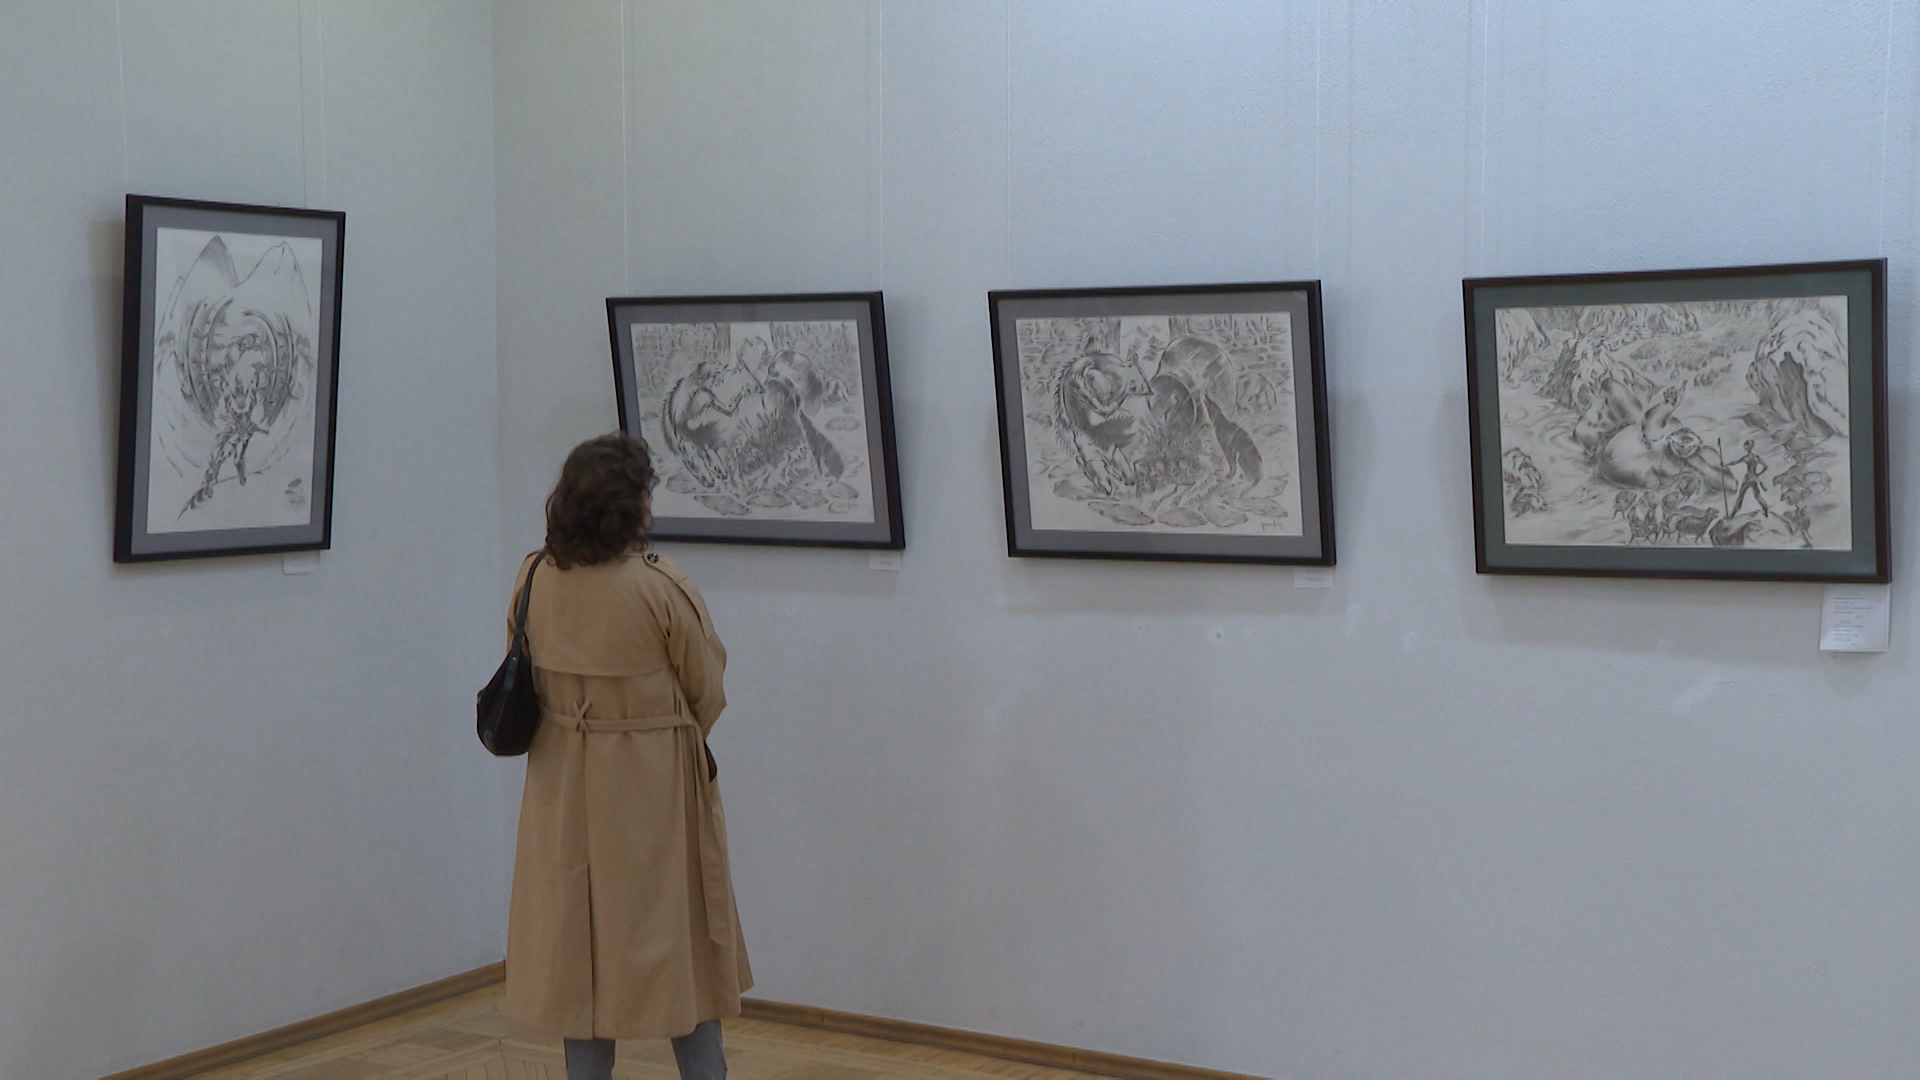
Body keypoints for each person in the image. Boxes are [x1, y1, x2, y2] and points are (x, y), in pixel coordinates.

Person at [504, 433, 751, 1080]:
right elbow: (708, 690)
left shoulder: (534, 577)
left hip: (563, 791)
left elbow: (519, 666)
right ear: (632, 504)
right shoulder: (659, 586)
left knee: (577, 952)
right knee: (680, 950)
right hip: (652, 795)